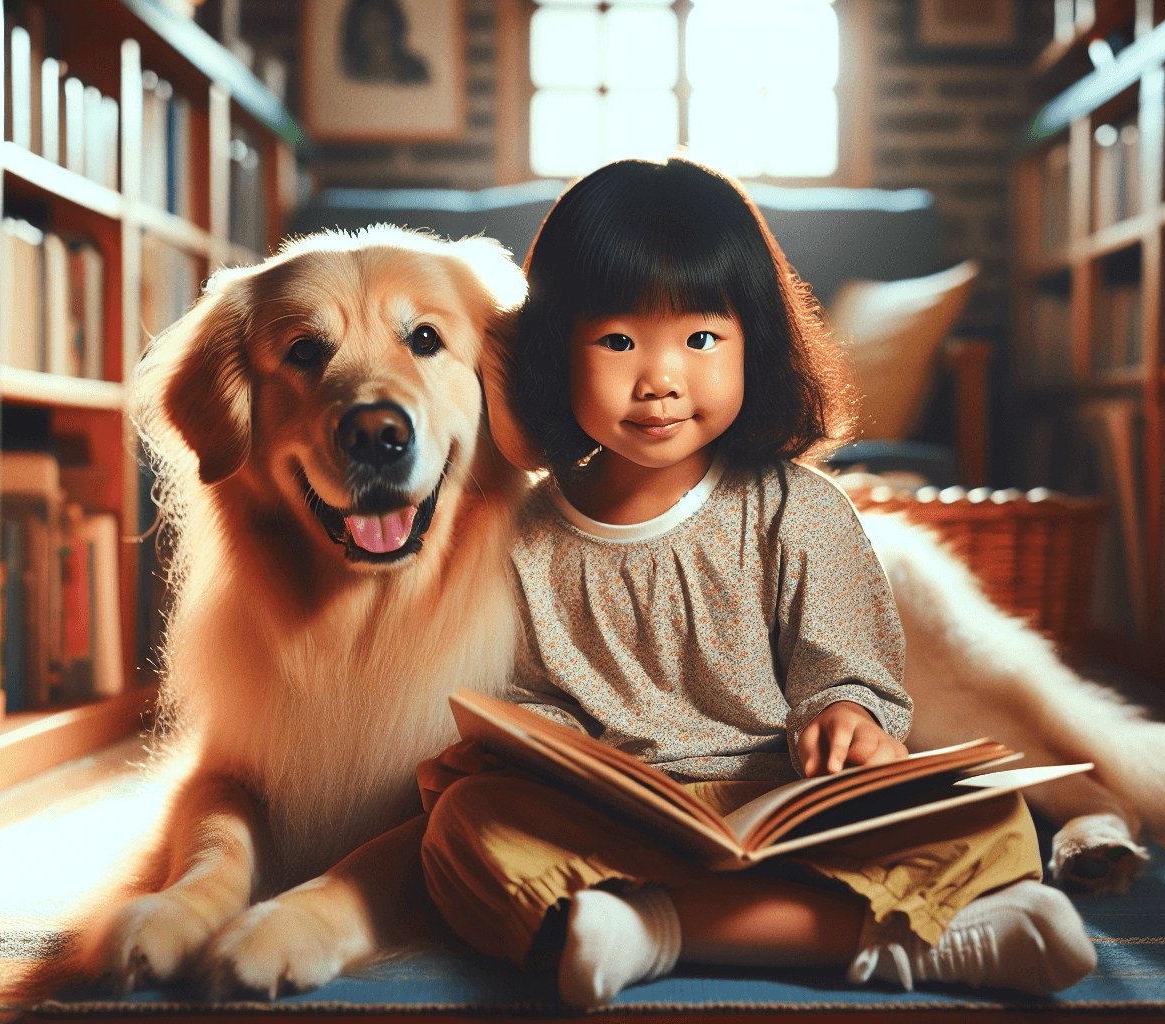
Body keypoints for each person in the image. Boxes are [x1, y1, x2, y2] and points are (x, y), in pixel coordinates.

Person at [418, 157, 1096, 1008]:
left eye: (701, 339)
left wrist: (848, 720)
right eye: (619, 341)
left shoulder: (801, 507)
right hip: (617, 819)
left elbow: (849, 668)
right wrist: (542, 747)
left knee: (990, 814)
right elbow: (523, 694)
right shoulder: (518, 534)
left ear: (756, 343)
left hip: (785, 803)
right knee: (459, 826)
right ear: (557, 351)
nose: (660, 379)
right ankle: (920, 942)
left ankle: (658, 929)